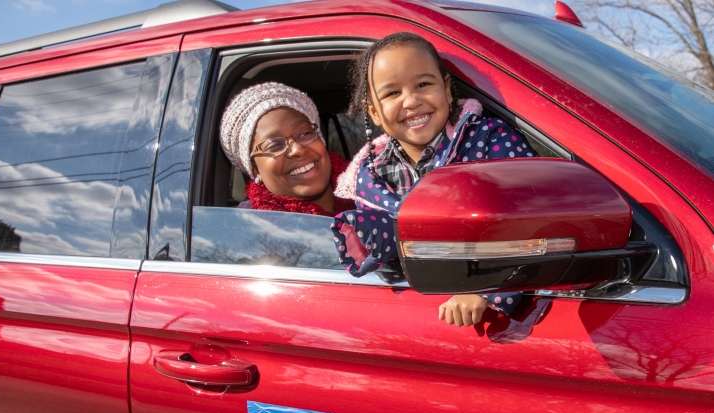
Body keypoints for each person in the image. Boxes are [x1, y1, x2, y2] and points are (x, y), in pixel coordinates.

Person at [332, 33, 537, 326]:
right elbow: (384, 264)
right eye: (392, 93)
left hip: (493, 316)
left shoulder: (490, 142)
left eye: (423, 85)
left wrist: (488, 288)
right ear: (374, 112)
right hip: (411, 321)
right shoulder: (370, 176)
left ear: (448, 89)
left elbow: (534, 219)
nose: (412, 100)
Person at [219, 82, 355, 216]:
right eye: (274, 145)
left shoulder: (370, 187)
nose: (298, 150)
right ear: (254, 169)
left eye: (305, 133)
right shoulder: (248, 230)